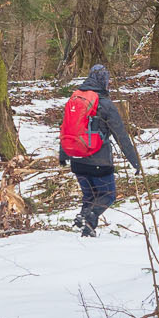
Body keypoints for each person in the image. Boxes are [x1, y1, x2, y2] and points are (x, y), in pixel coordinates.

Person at [58, 63, 141, 237]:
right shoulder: (106, 104)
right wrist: (135, 161)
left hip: (77, 159)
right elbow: (121, 136)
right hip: (99, 161)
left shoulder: (75, 99)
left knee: (89, 194)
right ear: (104, 81)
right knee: (108, 194)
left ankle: (82, 219)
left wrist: (64, 154)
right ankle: (90, 218)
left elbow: (66, 127)